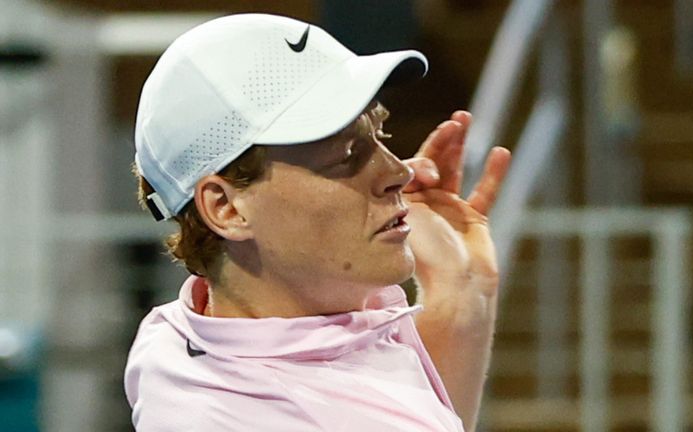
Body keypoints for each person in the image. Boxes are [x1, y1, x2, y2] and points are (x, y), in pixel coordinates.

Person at [124, 13, 511, 432]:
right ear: (227, 208)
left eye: (379, 136)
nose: (399, 172)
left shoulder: (186, 339)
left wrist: (462, 292)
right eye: (345, 155)